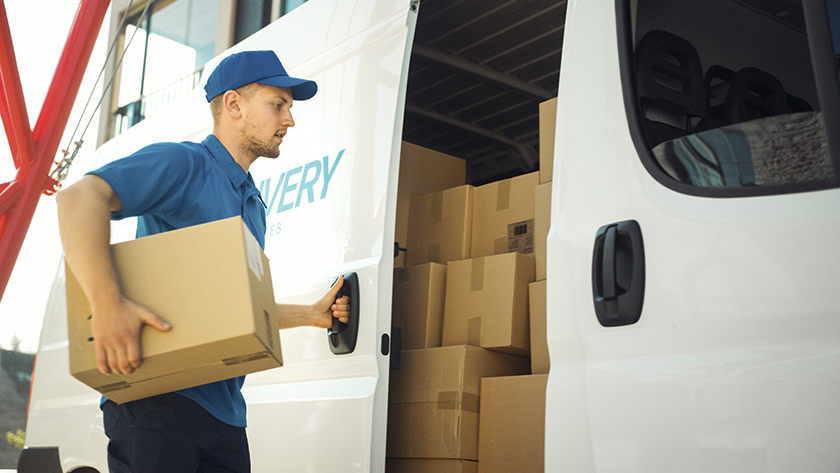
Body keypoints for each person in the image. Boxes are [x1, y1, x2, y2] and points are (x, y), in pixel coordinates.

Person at [56, 50, 348, 473]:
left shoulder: (253, 202)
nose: (290, 120)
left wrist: (310, 315)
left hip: (225, 416)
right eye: (278, 105)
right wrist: (106, 305)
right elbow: (79, 198)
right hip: (160, 400)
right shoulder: (186, 165)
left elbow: (231, 308)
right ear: (234, 105)